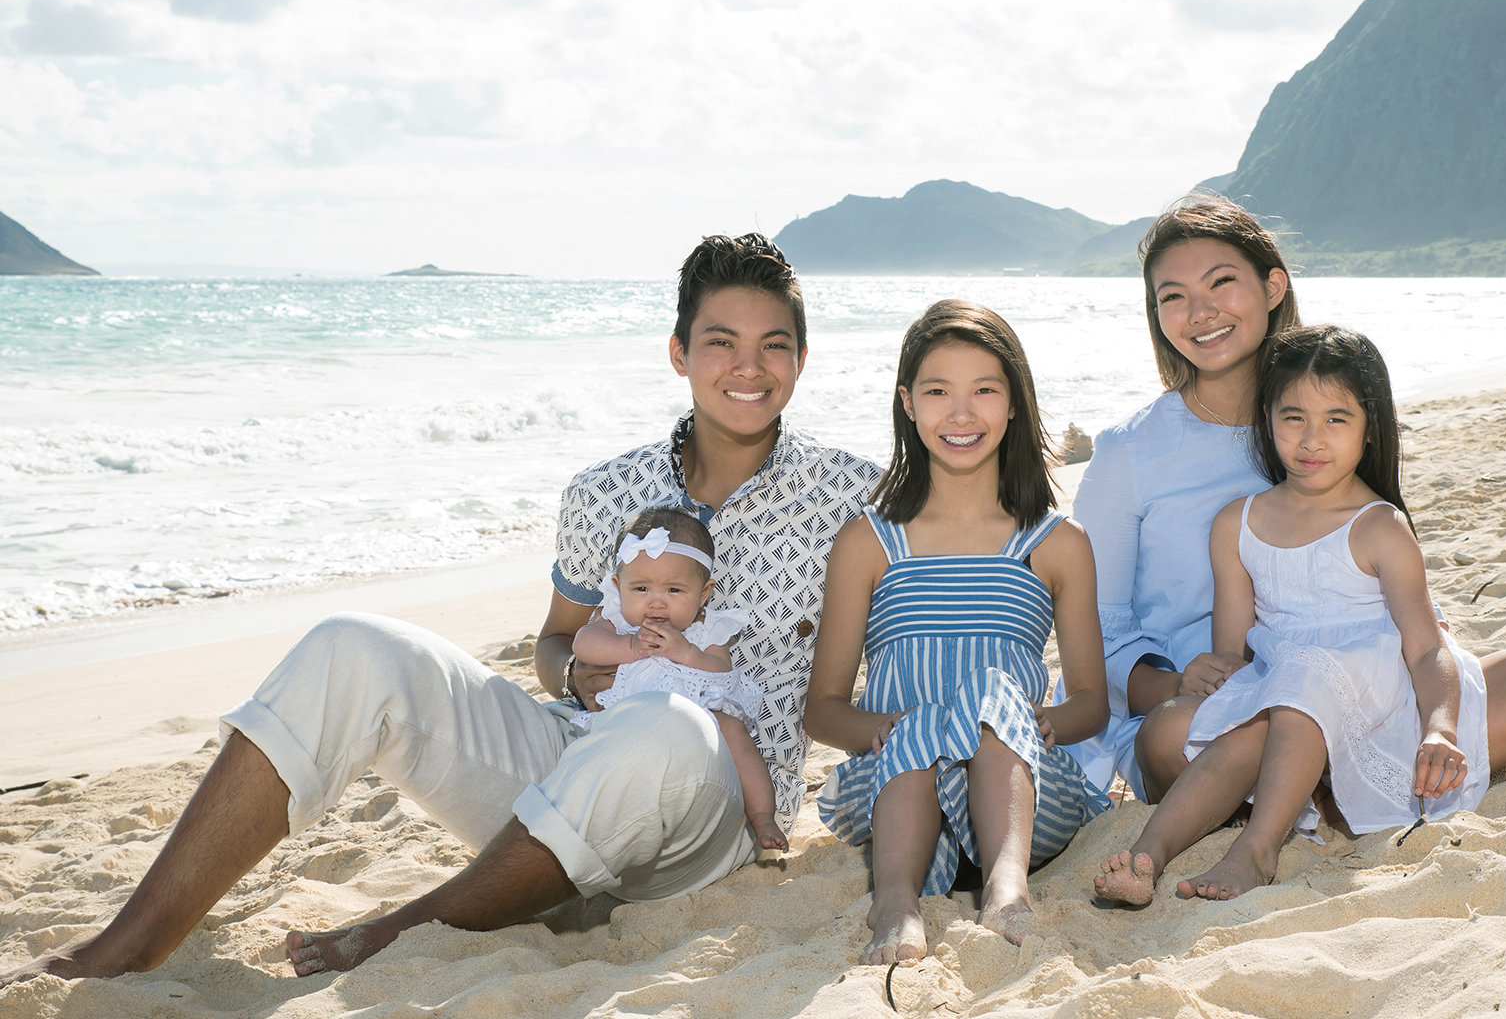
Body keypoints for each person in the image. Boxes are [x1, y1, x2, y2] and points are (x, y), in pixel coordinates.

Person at [0, 233, 881, 987]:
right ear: (679, 352)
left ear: (802, 360)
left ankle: (399, 931)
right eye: (721, 341)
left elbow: (956, 580)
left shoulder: (853, 497)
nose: (748, 367)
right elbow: (552, 646)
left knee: (672, 729)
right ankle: (132, 939)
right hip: (565, 767)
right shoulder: (604, 490)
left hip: (712, 819)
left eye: (774, 345)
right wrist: (579, 670)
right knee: (353, 644)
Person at [1062, 194, 1506, 809]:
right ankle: (1330, 795)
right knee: (1172, 737)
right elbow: (1095, 630)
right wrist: (1170, 681)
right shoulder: (1127, 453)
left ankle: (1328, 793)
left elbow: (1376, 569)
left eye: (1222, 282)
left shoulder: (1324, 417)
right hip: (1220, 707)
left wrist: (1426, 669)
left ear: (1273, 285)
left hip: (1358, 681)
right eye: (1172, 296)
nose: (1200, 312)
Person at [1095, 324, 1488, 904]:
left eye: (1337, 419)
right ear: (1268, 420)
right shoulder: (1238, 522)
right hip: (1286, 693)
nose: (1311, 439)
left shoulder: (1379, 526)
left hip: (1380, 696)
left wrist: (1440, 728)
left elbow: (1426, 645)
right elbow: (1236, 655)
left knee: (1306, 674)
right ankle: (1146, 857)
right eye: (1292, 417)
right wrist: (1211, 673)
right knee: (1244, 719)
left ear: (1369, 429)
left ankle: (1257, 848)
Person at [804, 299, 1110, 965]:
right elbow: (823, 708)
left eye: (984, 391)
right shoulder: (870, 542)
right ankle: (895, 900)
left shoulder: (1057, 543)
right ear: (908, 403)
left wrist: (1034, 724)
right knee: (923, 721)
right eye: (939, 391)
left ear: (1014, 403)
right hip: (896, 792)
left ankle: (1005, 890)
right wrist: (889, 729)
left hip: (1021, 792)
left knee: (992, 695)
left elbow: (1092, 701)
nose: (961, 413)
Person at [565, 505, 786, 852]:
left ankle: (762, 815)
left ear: (703, 593)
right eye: (640, 589)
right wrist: (630, 647)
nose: (656, 603)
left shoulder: (707, 629)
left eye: (674, 591)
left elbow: (724, 676)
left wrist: (687, 654)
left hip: (698, 725)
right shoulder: (616, 621)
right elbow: (583, 645)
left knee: (733, 729)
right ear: (617, 585)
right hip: (628, 719)